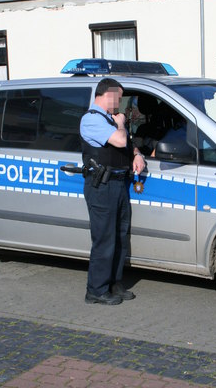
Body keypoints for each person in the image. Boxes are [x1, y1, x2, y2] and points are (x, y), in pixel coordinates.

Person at [80, 78, 146, 305]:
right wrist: (120, 123)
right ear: (107, 94)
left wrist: (137, 154)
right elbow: (119, 139)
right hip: (102, 186)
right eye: (118, 97)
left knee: (119, 237)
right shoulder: (90, 119)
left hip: (118, 184)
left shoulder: (110, 119)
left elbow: (128, 143)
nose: (120, 103)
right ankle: (96, 290)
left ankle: (114, 284)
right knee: (104, 239)